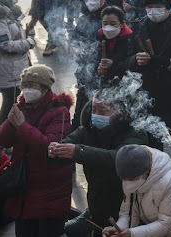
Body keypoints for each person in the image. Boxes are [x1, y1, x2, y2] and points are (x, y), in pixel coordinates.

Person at [48, 93, 149, 236]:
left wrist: (78, 151)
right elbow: (67, 148)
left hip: (127, 206)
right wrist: (56, 150)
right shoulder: (87, 130)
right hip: (97, 202)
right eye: (93, 109)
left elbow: (119, 158)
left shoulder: (135, 133)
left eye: (102, 110)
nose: (96, 115)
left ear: (119, 112)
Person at [0, 65, 73, 237]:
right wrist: (10, 124)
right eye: (25, 85)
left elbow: (50, 146)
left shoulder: (59, 112)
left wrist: (22, 126)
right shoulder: (21, 107)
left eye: (33, 85)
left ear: (45, 88)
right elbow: (3, 141)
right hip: (23, 187)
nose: (27, 90)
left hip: (49, 188)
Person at [126, 0, 171, 154]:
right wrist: (135, 60)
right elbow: (127, 58)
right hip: (148, 96)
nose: (153, 11)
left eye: (158, 7)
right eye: (149, 7)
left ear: (168, 7)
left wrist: (162, 61)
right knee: (151, 149)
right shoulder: (138, 27)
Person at [104, 145, 171, 237]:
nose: (127, 183)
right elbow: (128, 213)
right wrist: (118, 229)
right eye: (124, 179)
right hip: (160, 230)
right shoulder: (130, 174)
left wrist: (132, 233)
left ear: (145, 172)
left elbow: (165, 224)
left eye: (131, 179)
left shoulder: (170, 180)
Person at [0, 2, 34, 123]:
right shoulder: (1, 18)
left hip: (14, 66)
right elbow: (5, 44)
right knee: (10, 101)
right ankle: (3, 133)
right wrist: (28, 43)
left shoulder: (10, 13)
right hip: (7, 68)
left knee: (12, 99)